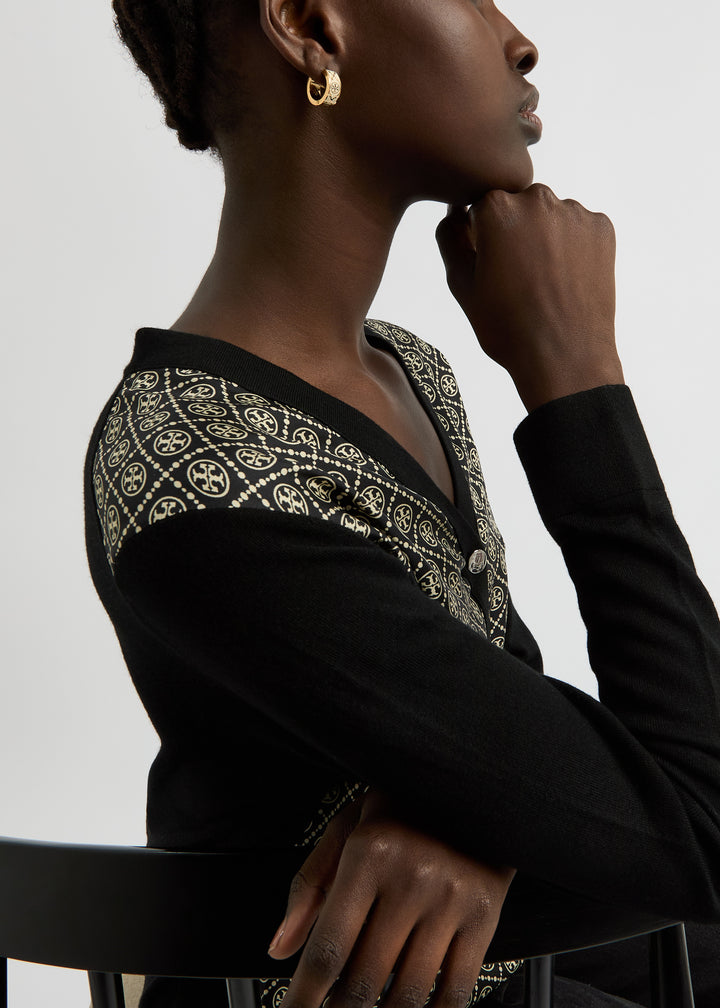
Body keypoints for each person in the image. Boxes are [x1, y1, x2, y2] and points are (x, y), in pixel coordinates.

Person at [84, 1, 720, 1006]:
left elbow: (578, 770)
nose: (519, 39)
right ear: (312, 26)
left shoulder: (410, 372)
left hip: (517, 961)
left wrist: (474, 802)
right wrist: (578, 377)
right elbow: (697, 812)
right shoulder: (200, 469)